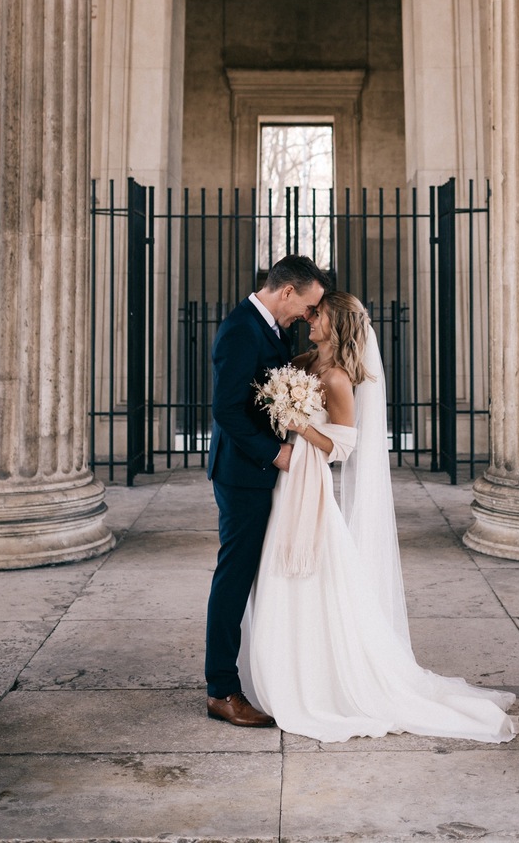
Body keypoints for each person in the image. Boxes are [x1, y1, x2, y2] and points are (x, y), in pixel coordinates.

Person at [240, 291, 519, 743]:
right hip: (284, 478)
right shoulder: (302, 360)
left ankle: (318, 682)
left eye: (320, 316)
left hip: (307, 480)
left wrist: (301, 427)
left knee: (312, 575)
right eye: (311, 313)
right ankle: (282, 670)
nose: (310, 320)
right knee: (275, 568)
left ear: (339, 327)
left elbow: (344, 446)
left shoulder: (337, 378)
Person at [205, 254, 329, 727]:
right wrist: (276, 455)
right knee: (234, 577)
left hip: (259, 473)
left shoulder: (272, 330)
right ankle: (221, 689)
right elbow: (228, 410)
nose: (308, 316)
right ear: (287, 292)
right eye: (308, 306)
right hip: (242, 473)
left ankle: (262, 673)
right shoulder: (241, 329)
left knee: (255, 576)